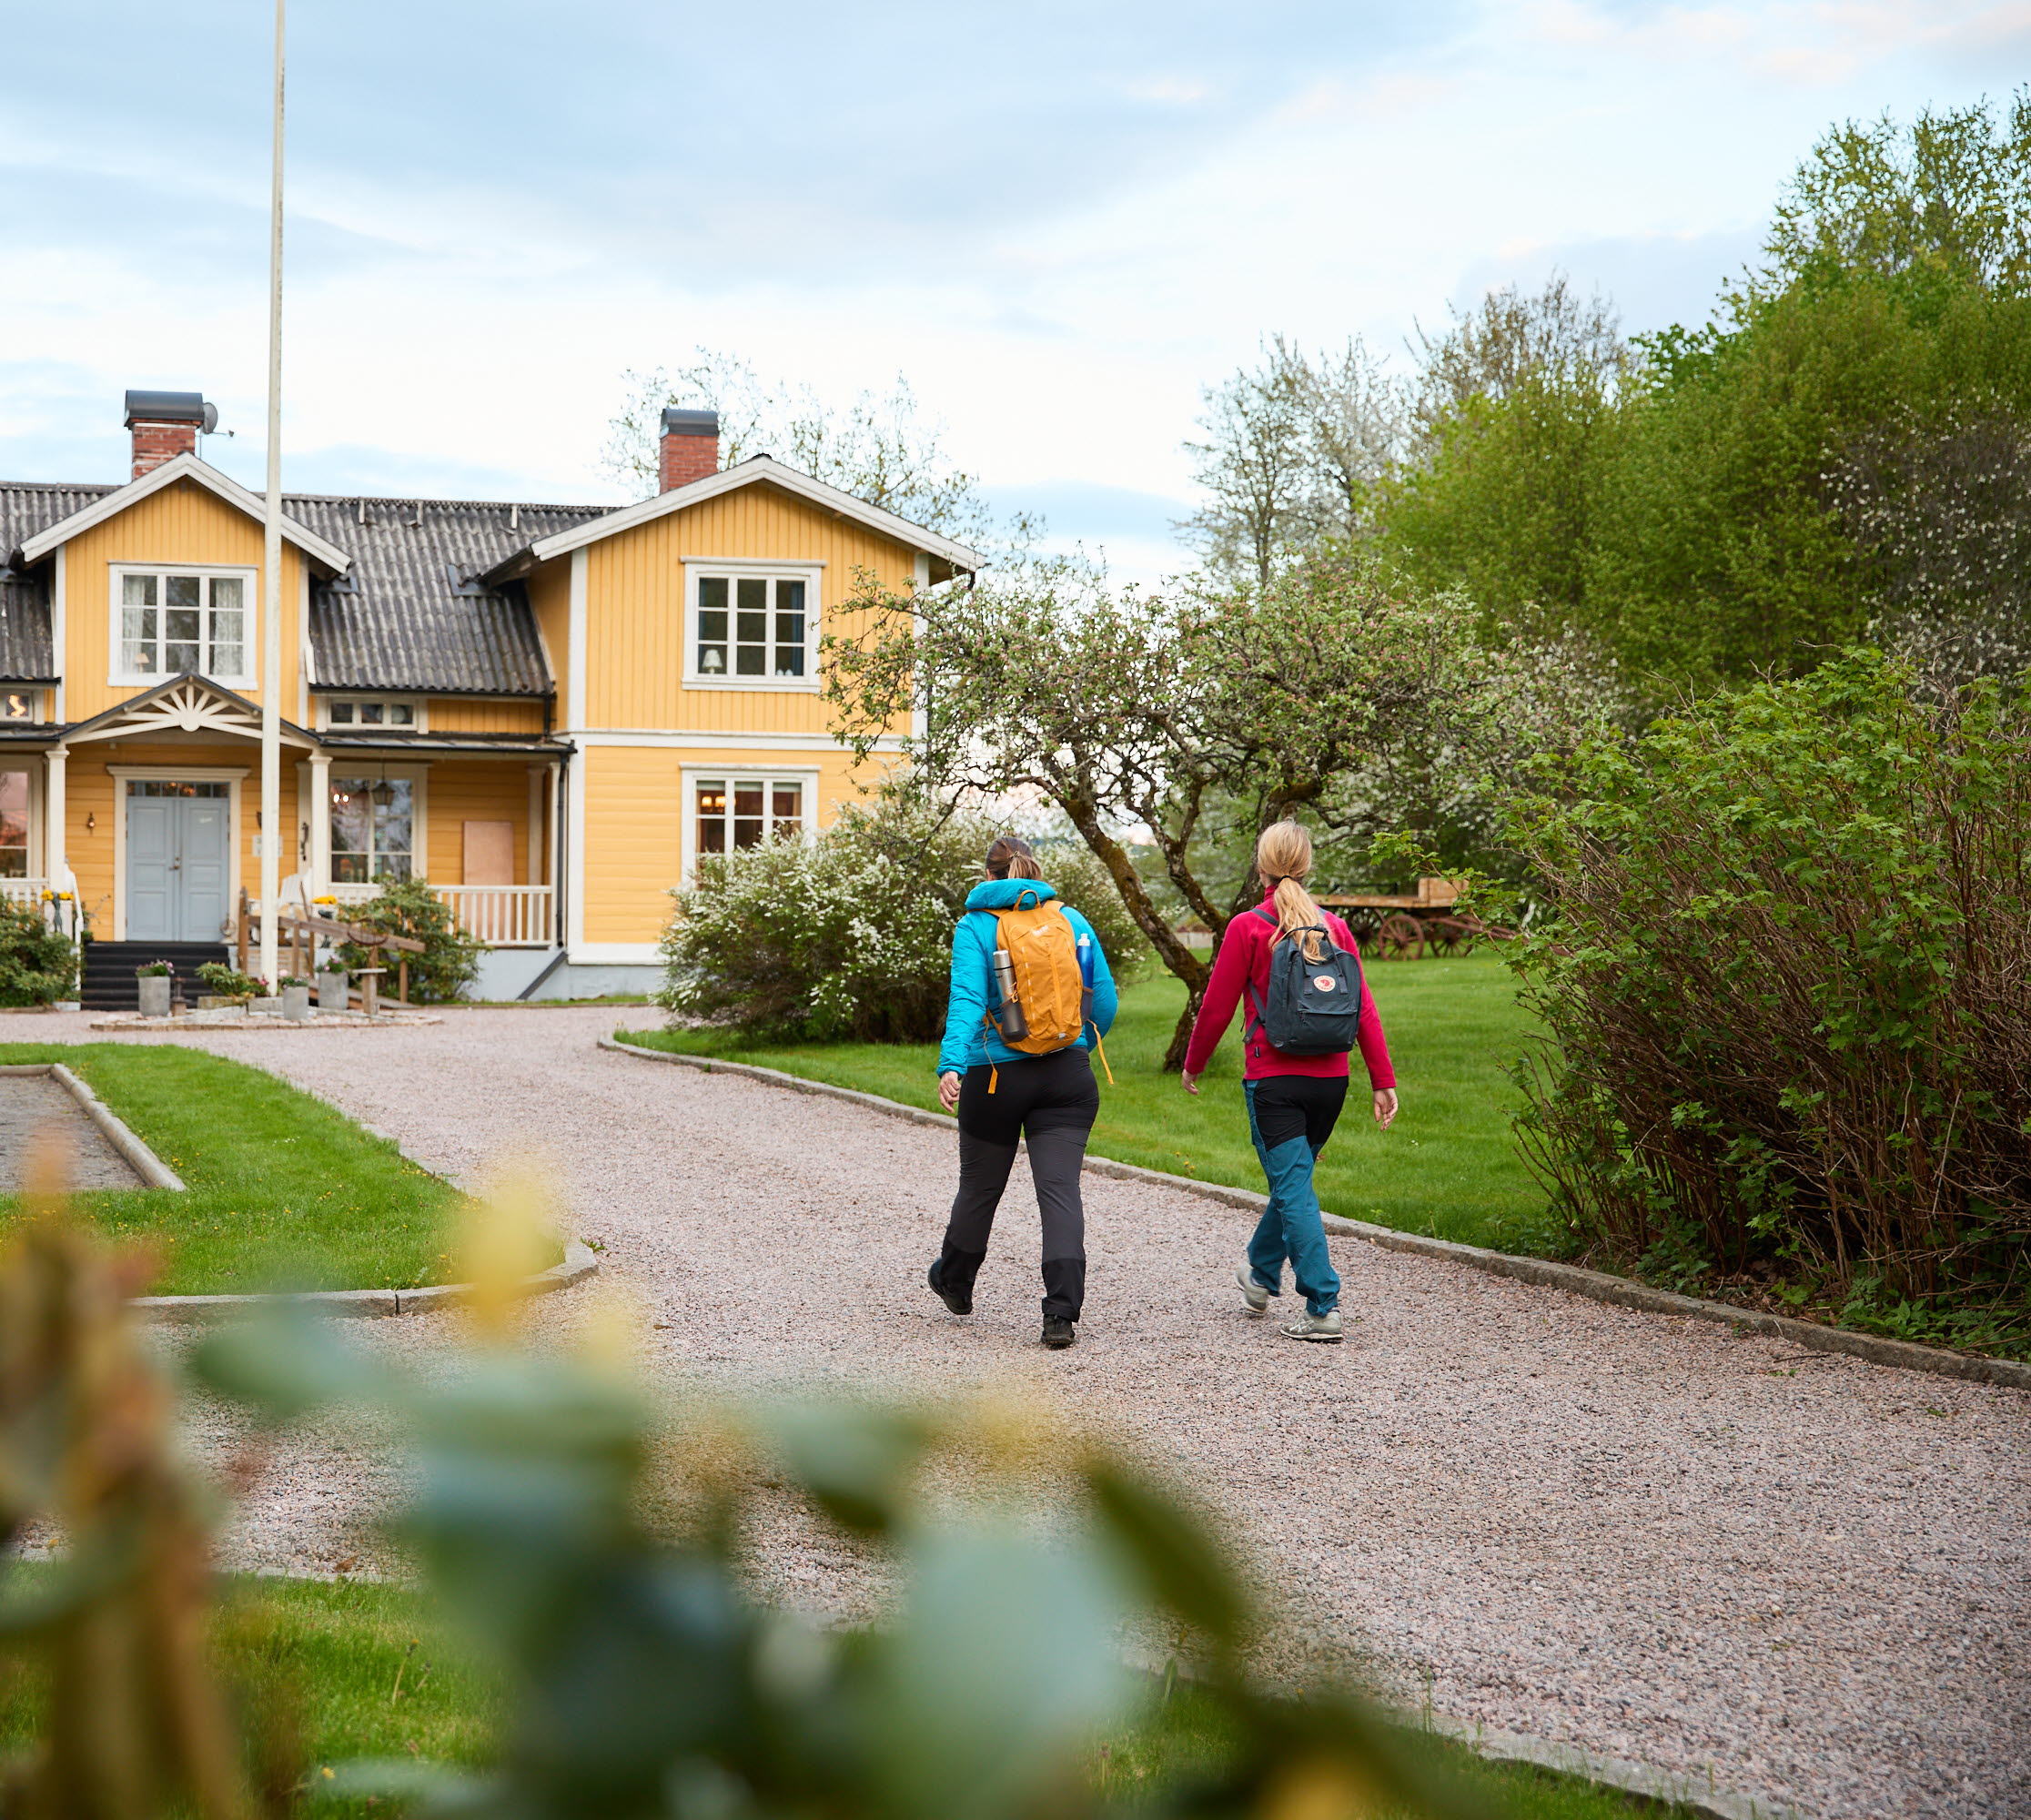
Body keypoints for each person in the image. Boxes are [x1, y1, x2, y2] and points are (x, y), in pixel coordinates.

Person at [1179, 821, 1398, 1342]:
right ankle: (1259, 1274)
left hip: (1274, 1082)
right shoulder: (1335, 928)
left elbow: (1216, 1006)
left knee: (1294, 1188)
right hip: (1332, 1083)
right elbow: (1363, 1009)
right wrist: (1382, 1079)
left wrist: (1194, 1062)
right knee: (1292, 1182)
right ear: (1306, 864)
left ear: (1262, 867)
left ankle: (1323, 1306)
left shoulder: (1249, 927)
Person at [928, 834, 1118, 1350]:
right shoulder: (1070, 921)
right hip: (1068, 1077)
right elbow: (1104, 1003)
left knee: (980, 1188)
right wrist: (1076, 1039)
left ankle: (956, 1282)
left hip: (996, 1076)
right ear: (1033, 869)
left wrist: (951, 1064)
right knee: (1059, 1193)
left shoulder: (974, 926)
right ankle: (1061, 1314)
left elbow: (967, 996)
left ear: (988, 875)